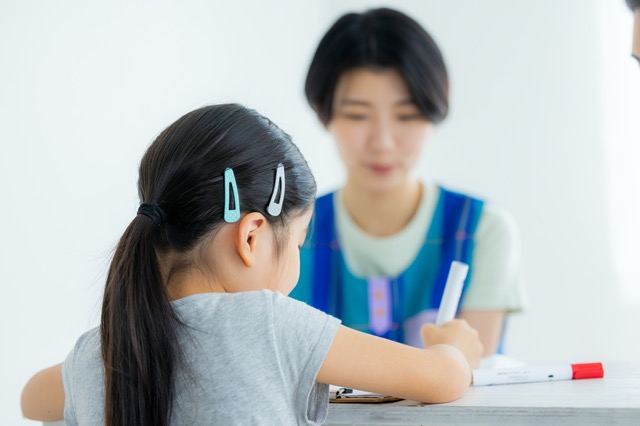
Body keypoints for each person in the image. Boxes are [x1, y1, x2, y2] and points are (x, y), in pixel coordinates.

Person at [21, 104, 482, 425]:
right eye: (299, 243)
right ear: (252, 236)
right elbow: (441, 379)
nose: (297, 263)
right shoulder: (266, 322)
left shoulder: (97, 352)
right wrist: (454, 346)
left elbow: (31, 399)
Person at [289, 8, 526, 355]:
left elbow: (477, 379)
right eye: (357, 115)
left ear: (434, 112)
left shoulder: (483, 231)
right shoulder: (287, 232)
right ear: (321, 112)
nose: (383, 141)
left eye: (407, 116)